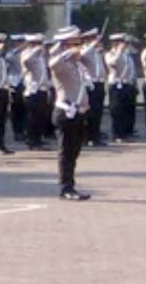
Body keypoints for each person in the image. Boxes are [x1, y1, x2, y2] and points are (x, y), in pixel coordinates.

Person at [48, 27, 91, 201]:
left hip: (78, 113)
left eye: (79, 44)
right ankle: (65, 188)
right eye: (75, 44)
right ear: (65, 45)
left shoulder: (76, 65)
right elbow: (52, 63)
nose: (79, 47)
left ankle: (70, 185)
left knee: (74, 152)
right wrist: (66, 53)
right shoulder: (61, 64)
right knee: (66, 152)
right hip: (66, 113)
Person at [21, 33, 52, 151]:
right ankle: (31, 140)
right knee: (32, 117)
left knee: (41, 117)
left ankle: (38, 139)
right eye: (37, 44)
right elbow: (26, 61)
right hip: (32, 91)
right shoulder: (27, 54)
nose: (40, 46)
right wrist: (35, 51)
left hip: (42, 89)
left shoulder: (41, 57)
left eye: (40, 43)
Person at [79, 29, 108, 147]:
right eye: (93, 38)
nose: (96, 40)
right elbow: (83, 55)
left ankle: (95, 136)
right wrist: (92, 45)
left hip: (99, 83)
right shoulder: (84, 49)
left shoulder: (97, 52)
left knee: (98, 112)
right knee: (89, 112)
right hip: (90, 84)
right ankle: (87, 137)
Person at [106, 34, 135, 143]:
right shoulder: (110, 54)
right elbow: (112, 63)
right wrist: (118, 51)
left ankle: (124, 133)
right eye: (121, 42)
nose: (124, 45)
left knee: (125, 110)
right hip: (115, 84)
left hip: (125, 84)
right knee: (116, 110)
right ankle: (116, 134)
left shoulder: (125, 55)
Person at [6, 35, 28, 142]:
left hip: (26, 82)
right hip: (15, 82)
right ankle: (17, 132)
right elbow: (8, 64)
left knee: (26, 109)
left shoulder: (28, 53)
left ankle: (25, 130)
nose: (21, 44)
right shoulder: (12, 54)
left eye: (22, 42)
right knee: (16, 109)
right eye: (18, 42)